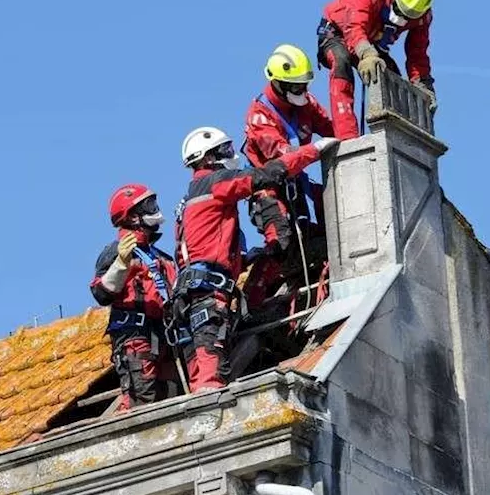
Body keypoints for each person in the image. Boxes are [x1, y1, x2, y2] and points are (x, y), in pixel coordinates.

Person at [173, 126, 337, 391]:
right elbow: (265, 175)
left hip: (189, 292)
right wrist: (312, 151)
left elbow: (198, 245)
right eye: (224, 150)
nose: (230, 154)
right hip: (208, 293)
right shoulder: (216, 182)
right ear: (206, 158)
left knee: (199, 362)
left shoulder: (189, 199)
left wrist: (243, 259)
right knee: (210, 371)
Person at [241, 45, 335, 307]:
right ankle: (252, 301)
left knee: (324, 224)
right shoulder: (260, 115)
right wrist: (314, 149)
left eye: (305, 86)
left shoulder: (306, 103)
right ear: (279, 84)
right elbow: (281, 157)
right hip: (269, 191)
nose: (302, 92)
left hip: (298, 184)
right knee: (280, 241)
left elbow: (330, 127)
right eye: (296, 87)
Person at [316, 0, 438, 139]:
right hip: (338, 33)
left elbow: (417, 53)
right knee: (341, 63)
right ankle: (347, 138)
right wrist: (366, 54)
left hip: (373, 43)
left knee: (393, 81)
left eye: (409, 15)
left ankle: (397, 137)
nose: (403, 17)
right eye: (400, 8)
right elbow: (354, 27)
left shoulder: (422, 17)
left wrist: (423, 85)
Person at [90, 183, 180, 411]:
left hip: (165, 335)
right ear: (131, 216)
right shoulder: (115, 251)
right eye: (147, 206)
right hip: (135, 336)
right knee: (142, 398)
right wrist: (121, 263)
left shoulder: (162, 257)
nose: (155, 209)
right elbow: (101, 293)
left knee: (173, 393)